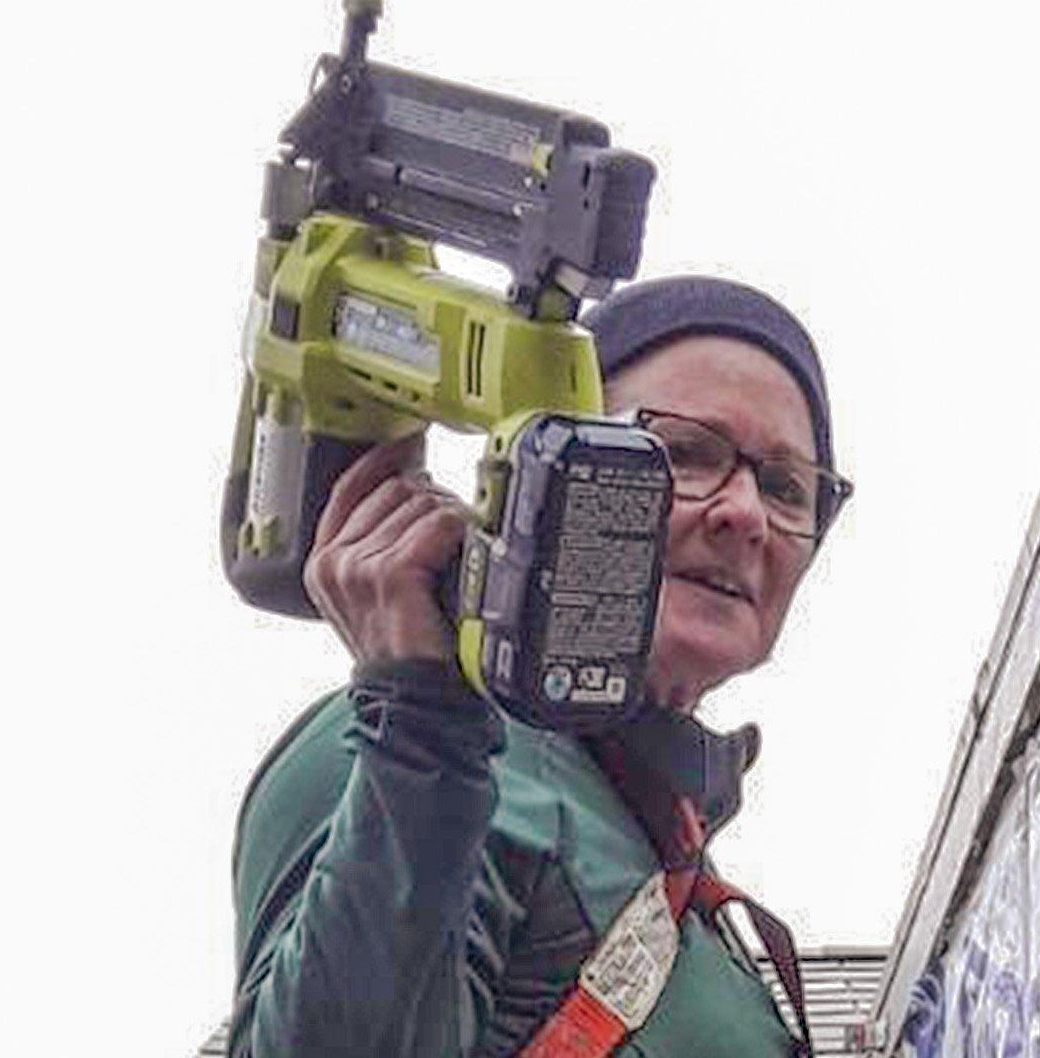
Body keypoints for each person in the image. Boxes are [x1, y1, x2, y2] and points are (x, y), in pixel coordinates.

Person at [226, 276, 851, 1057]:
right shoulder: (403, 755)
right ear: (545, 478)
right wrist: (418, 726)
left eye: (786, 487)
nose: (745, 515)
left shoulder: (677, 878)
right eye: (686, 453)